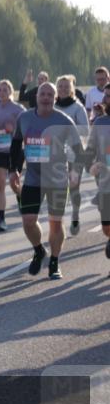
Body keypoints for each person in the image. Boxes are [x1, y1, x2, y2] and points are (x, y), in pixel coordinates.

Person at [9, 82, 85, 279]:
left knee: (55, 223)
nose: (46, 97)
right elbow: (17, 143)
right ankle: (39, 249)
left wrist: (75, 172)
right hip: (32, 178)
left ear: (55, 98)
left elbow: (79, 150)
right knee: (28, 221)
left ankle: (54, 262)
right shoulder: (24, 118)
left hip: (57, 179)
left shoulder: (64, 120)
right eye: (42, 93)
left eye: (50, 94)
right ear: (36, 97)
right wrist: (14, 170)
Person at [53, 75, 90, 236]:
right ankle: (58, 221)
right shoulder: (51, 107)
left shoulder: (77, 108)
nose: (63, 89)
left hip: (75, 153)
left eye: (66, 86)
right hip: (56, 154)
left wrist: (68, 130)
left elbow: (86, 131)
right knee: (58, 189)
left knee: (74, 188)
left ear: (71, 89)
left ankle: (75, 215)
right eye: (60, 86)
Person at [0, 80, 26, 232]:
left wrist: (14, 128)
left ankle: (21, 196)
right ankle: (1, 219)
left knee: (13, 182)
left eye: (5, 90)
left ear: (11, 91)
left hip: (14, 149)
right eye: (0, 90)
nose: (2, 92)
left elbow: (25, 128)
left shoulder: (18, 109)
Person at [87, 84, 110, 271]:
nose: (108, 100)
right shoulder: (100, 123)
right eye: (107, 96)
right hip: (105, 184)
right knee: (107, 228)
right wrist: (91, 165)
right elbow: (90, 150)